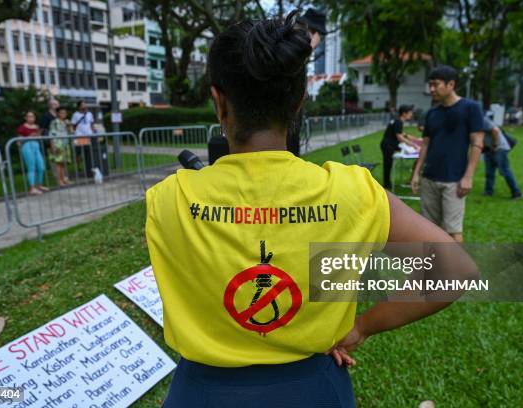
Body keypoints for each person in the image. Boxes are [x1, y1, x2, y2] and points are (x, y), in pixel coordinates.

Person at [145, 12, 476, 407]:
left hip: (201, 392)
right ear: (300, 101)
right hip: (314, 387)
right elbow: (456, 271)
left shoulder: (169, 198)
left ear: (218, 102)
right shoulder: (351, 191)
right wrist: (359, 328)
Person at [410, 65, 484, 243]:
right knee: (428, 231)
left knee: (453, 232)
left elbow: (477, 143)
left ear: (451, 84)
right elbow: (425, 144)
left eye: (436, 84)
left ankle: (458, 270)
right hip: (429, 180)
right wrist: (416, 173)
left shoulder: (470, 108)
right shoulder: (432, 113)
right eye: (430, 85)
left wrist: (468, 177)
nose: (432, 89)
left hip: (454, 181)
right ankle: (432, 267)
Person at [286, 8, 327, 157]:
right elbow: (289, 62)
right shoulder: (291, 46)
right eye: (316, 33)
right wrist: (309, 48)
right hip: (287, 110)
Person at [380, 104, 420, 189]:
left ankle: (387, 184)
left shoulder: (397, 121)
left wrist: (416, 139)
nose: (411, 114)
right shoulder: (398, 122)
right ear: (404, 113)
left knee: (388, 164)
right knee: (388, 165)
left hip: (389, 145)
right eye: (410, 113)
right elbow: (400, 137)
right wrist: (413, 145)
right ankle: (387, 185)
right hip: (388, 145)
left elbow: (403, 134)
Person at [482, 116, 522, 199]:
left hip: (499, 148)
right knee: (489, 172)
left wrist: (495, 144)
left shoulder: (482, 119)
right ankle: (488, 191)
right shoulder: (472, 120)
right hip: (488, 148)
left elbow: (495, 130)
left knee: (504, 171)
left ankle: (517, 193)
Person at [16, 111, 48, 195]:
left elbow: (39, 137)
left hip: (36, 146)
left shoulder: (37, 126)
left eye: (32, 116)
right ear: (26, 118)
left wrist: (38, 135)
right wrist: (29, 136)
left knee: (41, 166)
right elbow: (19, 140)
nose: (31, 118)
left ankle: (39, 185)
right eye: (29, 116)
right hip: (27, 146)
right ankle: (32, 188)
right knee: (31, 167)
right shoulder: (22, 127)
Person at [48, 107, 73, 187]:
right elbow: (51, 134)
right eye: (62, 113)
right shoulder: (54, 122)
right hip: (58, 144)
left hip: (65, 144)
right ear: (58, 113)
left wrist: (69, 126)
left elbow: (71, 132)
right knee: (58, 163)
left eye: (65, 113)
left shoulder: (66, 122)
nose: (64, 114)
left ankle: (64, 179)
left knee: (63, 163)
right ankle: (60, 181)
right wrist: (53, 146)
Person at [71, 100, 95, 171]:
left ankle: (89, 167)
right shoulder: (75, 114)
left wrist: (94, 132)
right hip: (79, 137)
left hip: (88, 136)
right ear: (79, 107)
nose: (85, 106)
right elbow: (73, 125)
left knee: (88, 152)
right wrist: (73, 133)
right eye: (83, 105)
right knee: (78, 153)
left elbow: (91, 124)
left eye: (85, 104)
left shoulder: (89, 114)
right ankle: (78, 167)